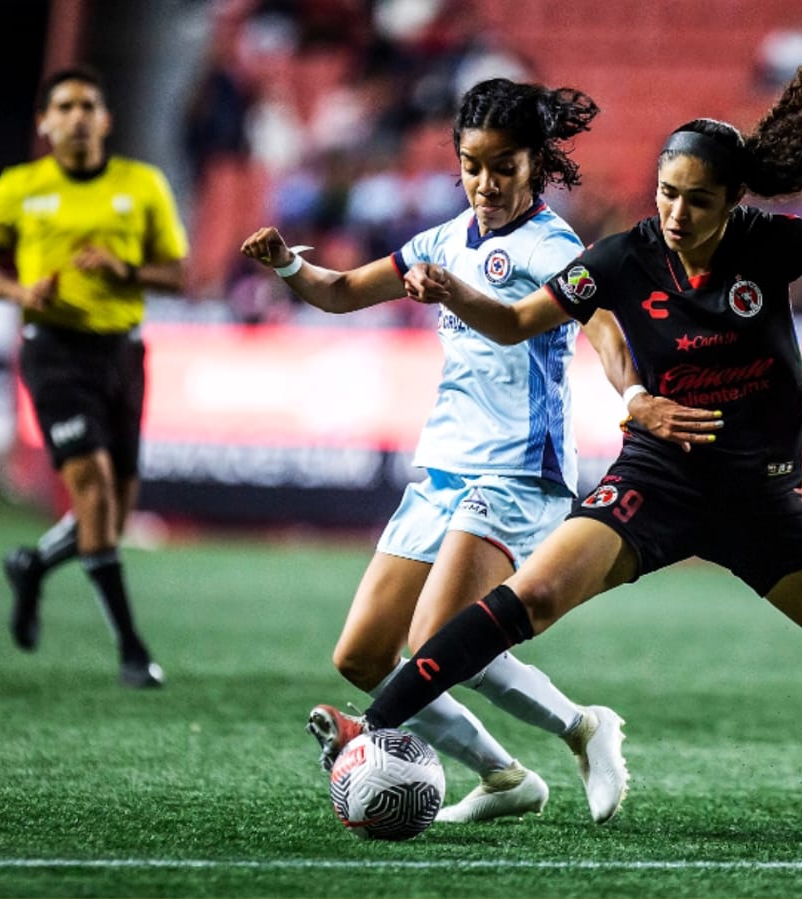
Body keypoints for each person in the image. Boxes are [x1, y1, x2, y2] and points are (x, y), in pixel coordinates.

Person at [337, 57, 802, 841]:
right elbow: (516, 323)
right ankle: (368, 726)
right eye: (666, 192)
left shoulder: (777, 242)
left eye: (698, 199)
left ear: (731, 201)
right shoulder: (619, 258)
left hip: (759, 500)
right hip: (655, 483)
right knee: (528, 599)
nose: (676, 212)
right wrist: (458, 291)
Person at [238, 78, 713, 824]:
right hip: (441, 469)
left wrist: (631, 398)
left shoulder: (552, 245)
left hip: (520, 470)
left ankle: (584, 727)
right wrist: (289, 266)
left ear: (536, 163)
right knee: (362, 657)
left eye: (503, 166)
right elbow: (338, 293)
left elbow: (606, 332)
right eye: (471, 165)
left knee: (436, 637)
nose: (486, 183)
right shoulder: (439, 240)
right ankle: (502, 774)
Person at [0, 66, 187, 689]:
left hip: (121, 353)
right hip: (54, 351)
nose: (78, 114)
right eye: (65, 105)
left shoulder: (140, 185)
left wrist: (124, 268)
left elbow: (179, 274)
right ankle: (132, 650)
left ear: (106, 120)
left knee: (111, 518)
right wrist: (17, 289)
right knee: (93, 488)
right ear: (45, 121)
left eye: (90, 104)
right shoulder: (17, 189)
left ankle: (33, 566)